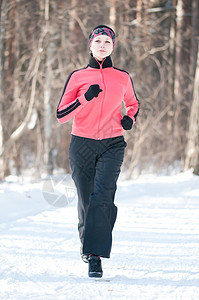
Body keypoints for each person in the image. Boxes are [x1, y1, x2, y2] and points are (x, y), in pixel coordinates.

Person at [57, 25, 140, 278]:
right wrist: (85, 98)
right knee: (86, 199)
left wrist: (130, 120)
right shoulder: (78, 77)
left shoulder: (123, 77)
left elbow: (133, 105)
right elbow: (61, 115)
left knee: (102, 196)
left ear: (113, 46)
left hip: (112, 143)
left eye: (107, 41)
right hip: (81, 143)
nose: (102, 45)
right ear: (90, 45)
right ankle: (89, 239)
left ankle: (95, 256)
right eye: (98, 41)